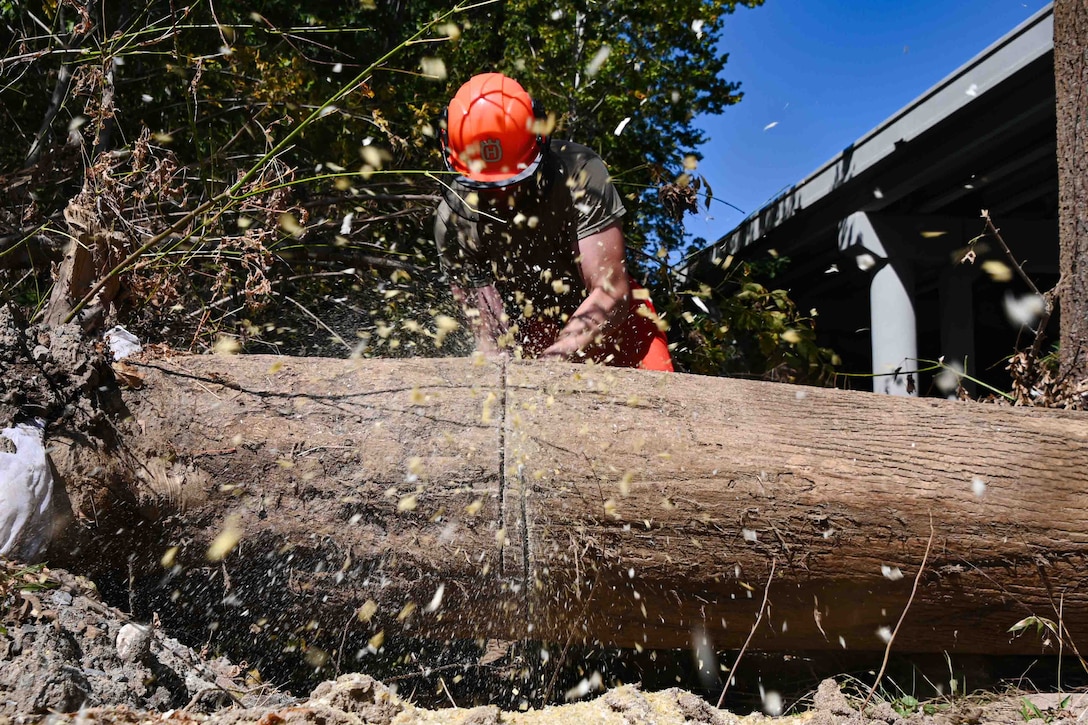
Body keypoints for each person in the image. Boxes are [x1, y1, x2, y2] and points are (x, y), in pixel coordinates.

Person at [433, 72, 674, 372]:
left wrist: (554, 361)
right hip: (533, 326)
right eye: (487, 186)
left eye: (514, 181)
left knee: (659, 390)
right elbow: (486, 329)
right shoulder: (453, 222)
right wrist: (498, 361)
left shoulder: (578, 172)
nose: (502, 194)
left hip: (613, 320)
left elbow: (610, 290)